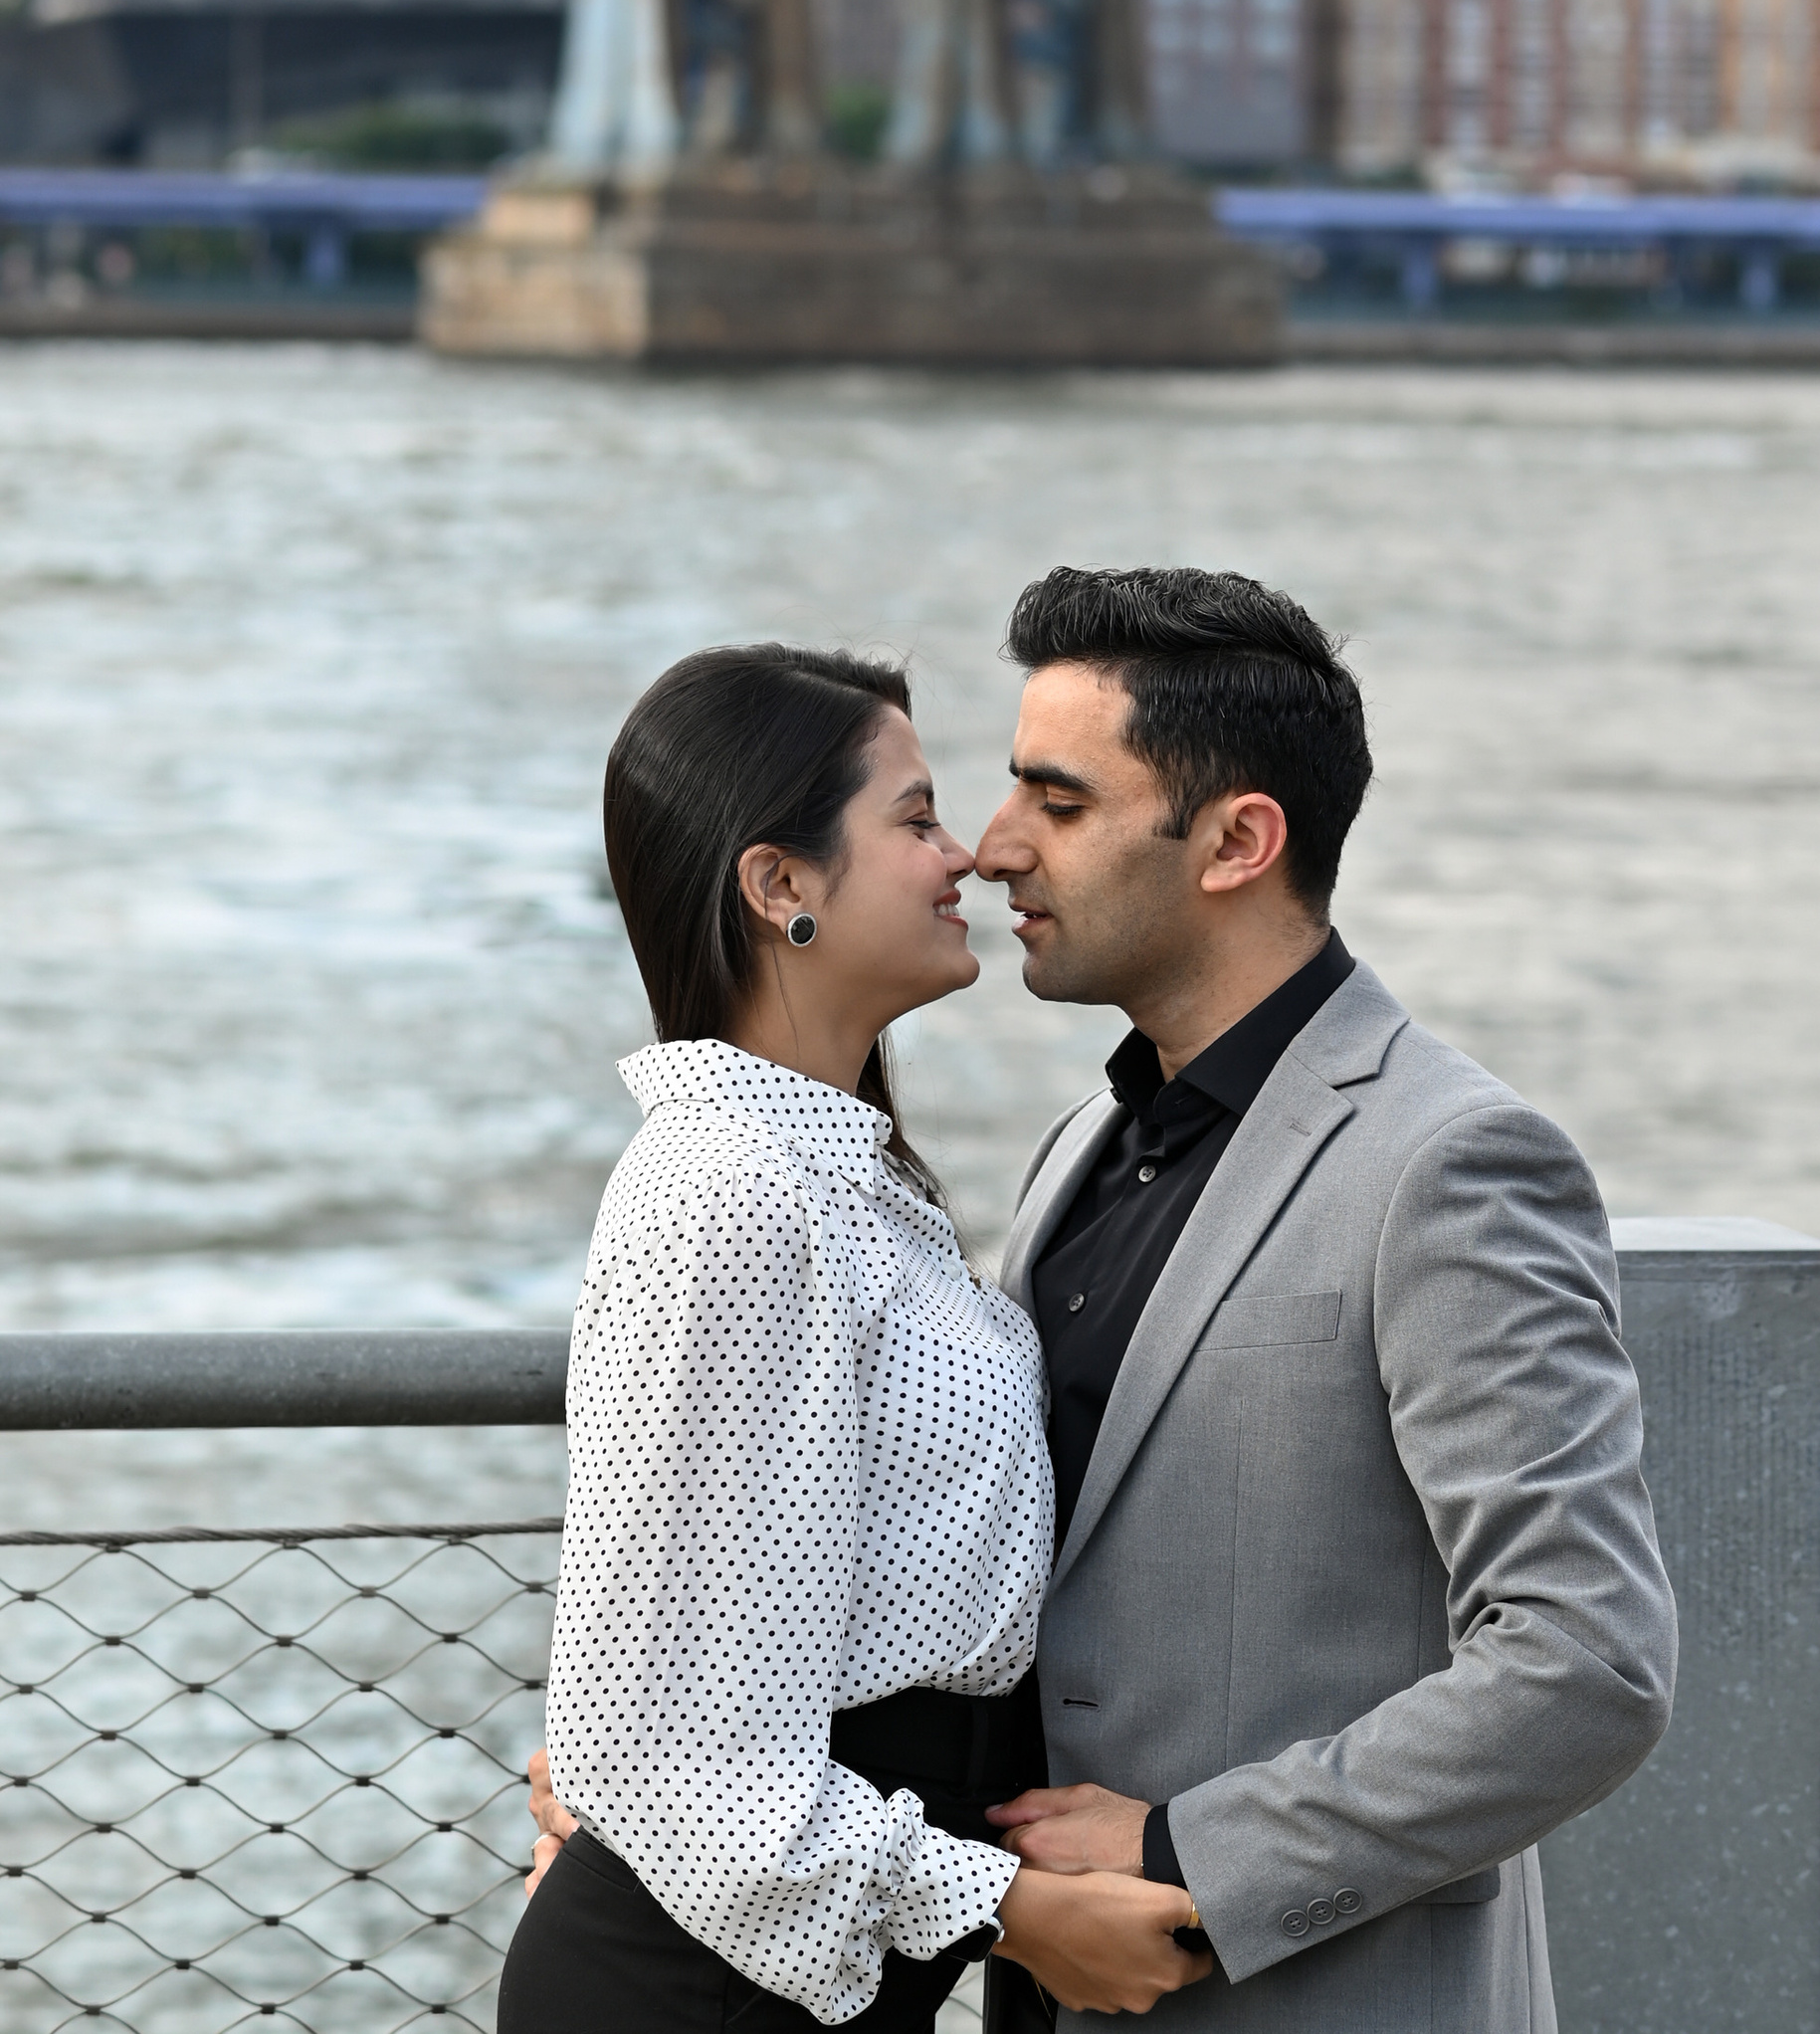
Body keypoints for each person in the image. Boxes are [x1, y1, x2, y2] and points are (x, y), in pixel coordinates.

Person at [972, 564, 1677, 2028]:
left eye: (1060, 800)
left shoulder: (1453, 1162)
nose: (994, 849)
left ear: (1238, 839)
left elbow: (1585, 1658)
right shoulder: (1082, 1150)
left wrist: (1188, 1852)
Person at [503, 641, 1205, 2032]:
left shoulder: (842, 1184)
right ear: (781, 885)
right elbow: (674, 1743)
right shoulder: (730, 1189)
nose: (971, 855)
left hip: (792, 1961)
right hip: (703, 1980)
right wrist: (1014, 1908)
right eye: (914, 816)